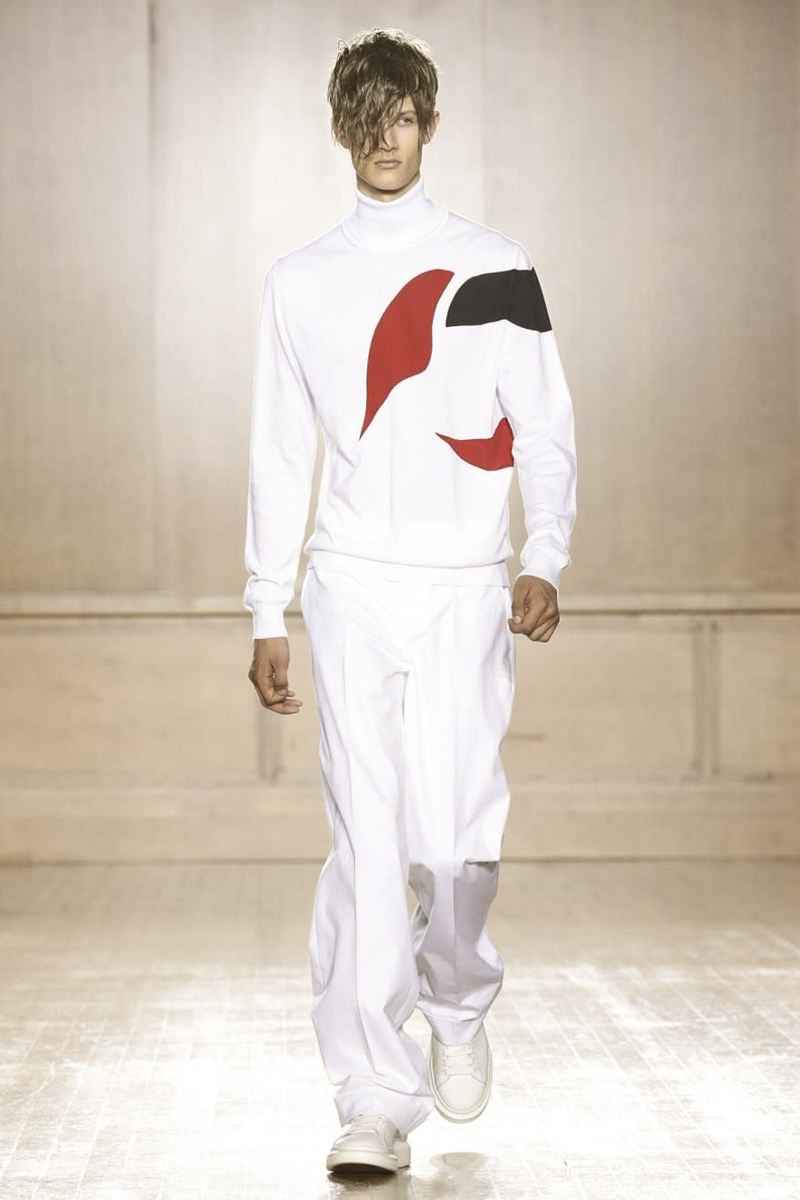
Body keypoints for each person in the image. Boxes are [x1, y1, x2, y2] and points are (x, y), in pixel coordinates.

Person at [244, 26, 578, 1175]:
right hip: (347, 583)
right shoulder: (298, 283)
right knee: (366, 836)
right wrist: (265, 606)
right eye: (366, 117)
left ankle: (458, 996)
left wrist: (545, 554)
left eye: (401, 116)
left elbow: (542, 425)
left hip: (464, 586)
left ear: (429, 124)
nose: (384, 137)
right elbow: (278, 453)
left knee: (455, 840)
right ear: (340, 128)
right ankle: (372, 1097)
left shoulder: (495, 266)